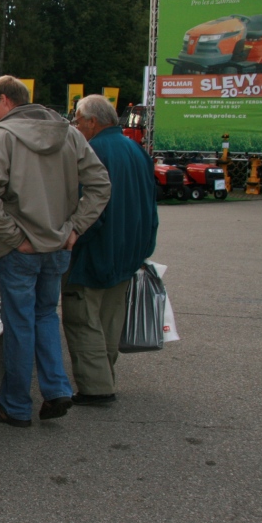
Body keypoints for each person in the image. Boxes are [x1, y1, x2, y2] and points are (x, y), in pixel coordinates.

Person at [0, 76, 111, 428]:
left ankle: (16, 406)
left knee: (19, 325)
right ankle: (56, 390)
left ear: (5, 100)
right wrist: (75, 228)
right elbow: (100, 184)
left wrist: (14, 238)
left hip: (22, 250)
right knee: (46, 316)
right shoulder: (70, 133)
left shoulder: (0, 138)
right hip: (58, 246)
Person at [63, 95, 158, 405]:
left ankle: (96, 388)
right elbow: (151, 204)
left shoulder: (93, 152)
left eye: (78, 120)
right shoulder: (136, 150)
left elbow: (90, 209)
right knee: (109, 319)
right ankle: (105, 376)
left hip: (97, 250)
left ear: (92, 122)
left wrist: (72, 241)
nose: (76, 126)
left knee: (82, 318)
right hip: (129, 251)